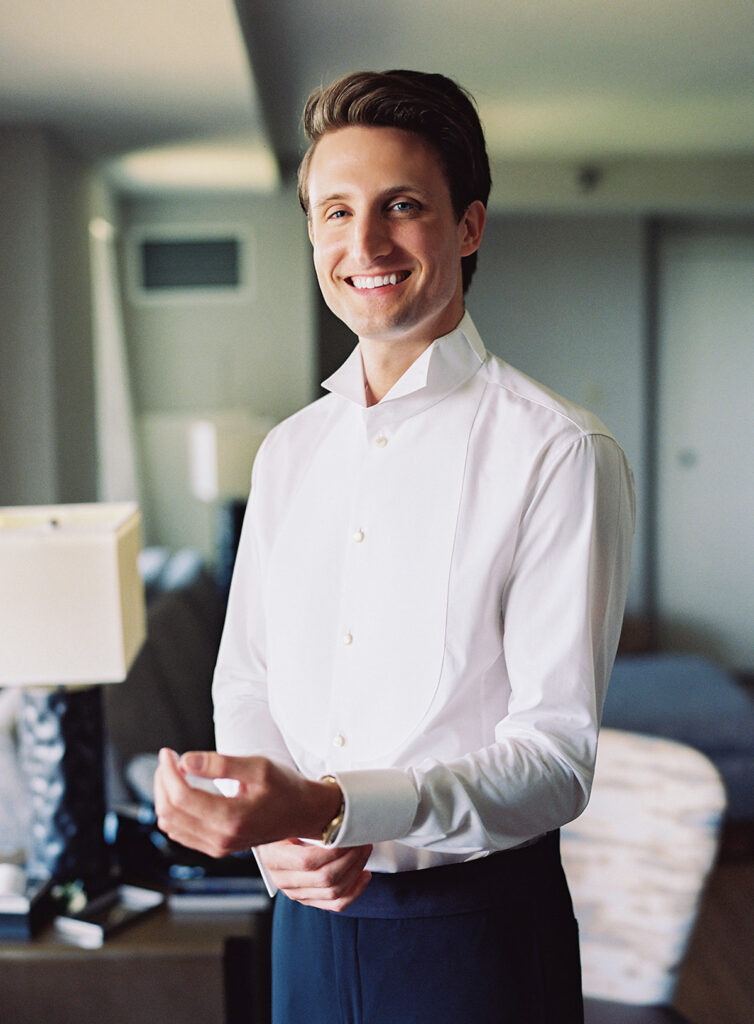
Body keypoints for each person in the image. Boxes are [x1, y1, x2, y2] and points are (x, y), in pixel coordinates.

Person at [154, 69, 635, 1023]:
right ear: (311, 236)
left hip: (477, 935)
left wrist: (329, 805)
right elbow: (245, 679)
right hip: (302, 925)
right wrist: (274, 838)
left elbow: (554, 758)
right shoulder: (288, 452)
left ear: (468, 226)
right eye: (335, 212)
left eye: (401, 206)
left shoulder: (559, 450)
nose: (363, 243)